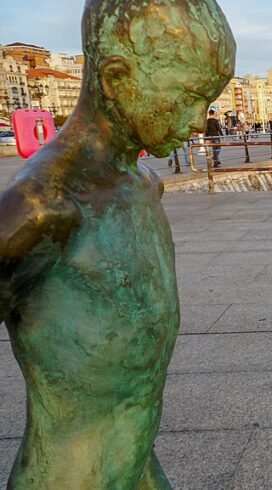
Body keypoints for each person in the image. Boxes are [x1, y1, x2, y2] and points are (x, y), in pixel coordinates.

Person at [0, 0, 235, 487]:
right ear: (115, 79)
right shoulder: (45, 208)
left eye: (207, 102)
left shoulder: (144, 183)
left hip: (137, 468)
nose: (199, 121)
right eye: (190, 97)